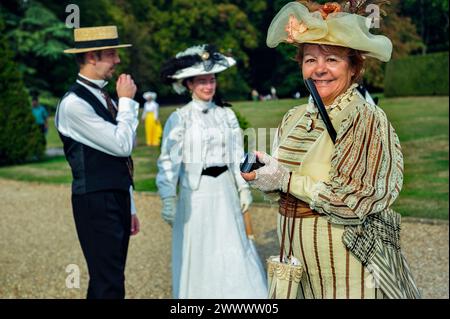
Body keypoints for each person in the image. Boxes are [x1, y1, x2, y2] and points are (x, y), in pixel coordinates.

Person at [241, 1, 421, 299]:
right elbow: (284, 188)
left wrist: (285, 180)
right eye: (310, 59)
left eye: (332, 60)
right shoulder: (294, 117)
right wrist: (266, 179)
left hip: (345, 263)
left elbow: (353, 199)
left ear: (354, 69)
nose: (319, 69)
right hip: (298, 262)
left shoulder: (364, 118)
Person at [157, 44, 267, 299]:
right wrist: (167, 197)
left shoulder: (226, 115)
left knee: (233, 245)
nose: (209, 86)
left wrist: (243, 188)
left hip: (225, 189)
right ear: (188, 85)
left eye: (212, 80)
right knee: (201, 249)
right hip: (196, 194)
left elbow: (238, 155)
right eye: (202, 81)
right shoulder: (180, 118)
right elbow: (168, 162)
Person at [55, 26, 140, 299]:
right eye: (112, 54)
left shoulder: (102, 96)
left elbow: (122, 154)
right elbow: (121, 144)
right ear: (92, 57)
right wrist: (126, 101)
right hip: (94, 200)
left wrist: (130, 203)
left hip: (114, 197)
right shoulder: (73, 104)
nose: (117, 60)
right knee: (108, 280)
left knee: (112, 277)